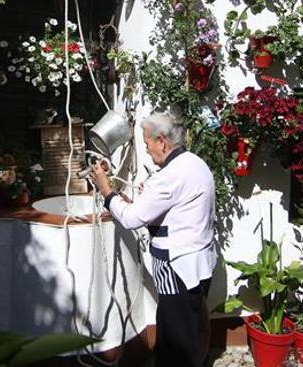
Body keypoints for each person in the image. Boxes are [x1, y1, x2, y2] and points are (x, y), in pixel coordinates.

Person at [91, 112, 216, 367]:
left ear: (162, 141)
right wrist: (126, 199)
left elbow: (131, 219)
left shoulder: (169, 177)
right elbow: (165, 211)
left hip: (178, 267)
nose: (147, 150)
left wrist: (105, 190)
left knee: (176, 339)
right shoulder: (194, 163)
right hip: (198, 262)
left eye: (147, 143)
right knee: (186, 328)